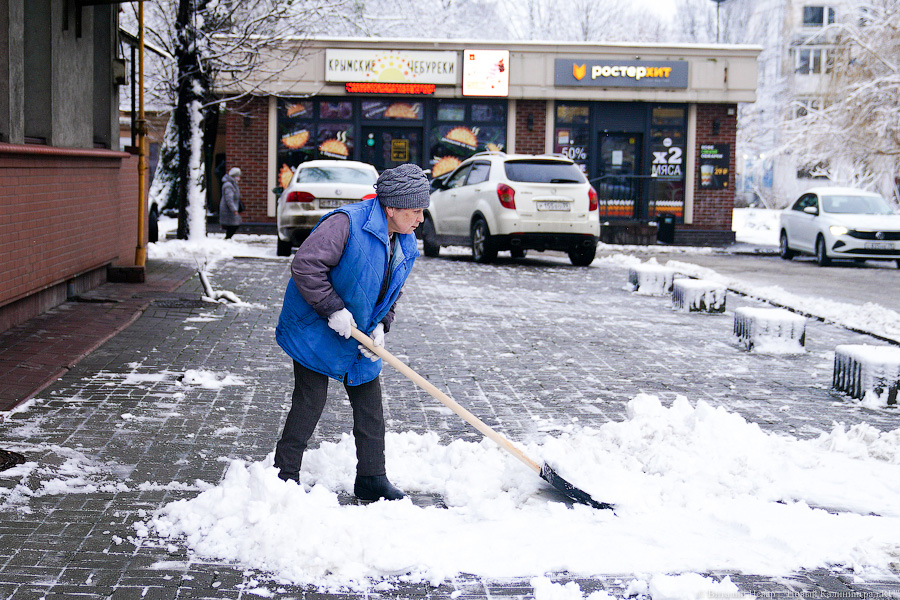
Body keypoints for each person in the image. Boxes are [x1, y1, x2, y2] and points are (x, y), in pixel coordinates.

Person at [273, 163, 429, 501]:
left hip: (359, 331)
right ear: (392, 207)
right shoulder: (345, 224)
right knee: (310, 400)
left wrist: (382, 325)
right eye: (415, 211)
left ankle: (372, 478)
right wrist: (332, 308)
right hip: (314, 326)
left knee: (370, 404)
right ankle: (282, 477)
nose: (421, 218)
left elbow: (393, 290)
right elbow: (305, 265)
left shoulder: (406, 241)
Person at [219, 167, 242, 239]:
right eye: (238, 176)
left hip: (231, 208)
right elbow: (229, 199)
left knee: (233, 224)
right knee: (234, 224)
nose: (239, 177)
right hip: (228, 209)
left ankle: (228, 238)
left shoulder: (233, 184)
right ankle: (227, 238)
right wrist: (234, 209)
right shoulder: (229, 185)